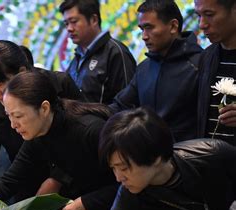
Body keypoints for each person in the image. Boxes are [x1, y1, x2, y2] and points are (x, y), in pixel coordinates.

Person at [0, 71, 117, 210]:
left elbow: (128, 182)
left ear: (44, 108)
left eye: (18, 116)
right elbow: (8, 183)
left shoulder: (91, 130)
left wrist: (89, 202)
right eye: (9, 116)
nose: (13, 125)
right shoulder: (38, 135)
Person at [94, 107, 233, 210]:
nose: (118, 177)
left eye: (124, 168)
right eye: (113, 168)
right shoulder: (128, 194)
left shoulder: (214, 157)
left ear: (156, 157)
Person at [0, 40, 82, 200]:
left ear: (22, 71)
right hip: (24, 184)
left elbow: (81, 137)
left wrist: (58, 178)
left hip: (75, 185)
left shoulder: (59, 84)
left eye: (0, 82)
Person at [110, 0, 202, 142]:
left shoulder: (201, 64)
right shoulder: (144, 68)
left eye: (149, 28)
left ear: (173, 26)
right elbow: (119, 106)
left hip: (189, 159)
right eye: (142, 29)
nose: (144, 36)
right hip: (149, 156)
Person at [59, 0, 136, 104]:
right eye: (66, 23)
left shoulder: (116, 52)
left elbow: (127, 104)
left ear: (94, 20)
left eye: (74, 21)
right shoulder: (77, 58)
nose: (69, 28)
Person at [195, 0, 236, 144]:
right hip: (212, 160)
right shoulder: (206, 57)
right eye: (198, 16)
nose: (202, 24)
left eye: (209, 14)